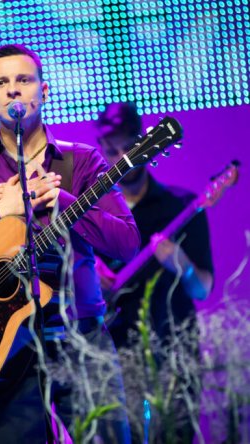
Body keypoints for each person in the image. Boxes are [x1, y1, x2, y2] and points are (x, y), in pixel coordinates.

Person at [0, 44, 140, 444]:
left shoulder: (83, 160)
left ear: (44, 91)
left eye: (23, 79)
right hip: (4, 347)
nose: (13, 89)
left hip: (80, 338)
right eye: (1, 83)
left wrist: (63, 201)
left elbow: (127, 243)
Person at [95, 102, 214, 443]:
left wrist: (181, 264)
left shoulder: (181, 206)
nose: (122, 158)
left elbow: (202, 289)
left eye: (128, 147)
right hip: (115, 351)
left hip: (174, 348)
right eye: (111, 151)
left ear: (144, 143)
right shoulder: (93, 213)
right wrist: (88, 276)